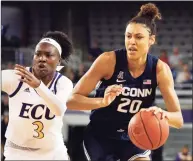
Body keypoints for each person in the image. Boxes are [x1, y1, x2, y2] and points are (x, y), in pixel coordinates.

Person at [67, 3, 184, 161]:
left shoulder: (160, 70)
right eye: (128, 36)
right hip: (101, 136)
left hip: (134, 138)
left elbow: (178, 120)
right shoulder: (108, 61)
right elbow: (71, 101)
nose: (132, 42)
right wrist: (102, 101)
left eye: (138, 37)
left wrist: (162, 115)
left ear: (151, 40)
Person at [1, 31, 74, 160]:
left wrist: (38, 86)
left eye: (48, 55)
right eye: (38, 54)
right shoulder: (16, 77)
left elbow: (59, 109)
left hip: (52, 153)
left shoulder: (63, 83)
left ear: (59, 61)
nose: (42, 58)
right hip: (17, 152)